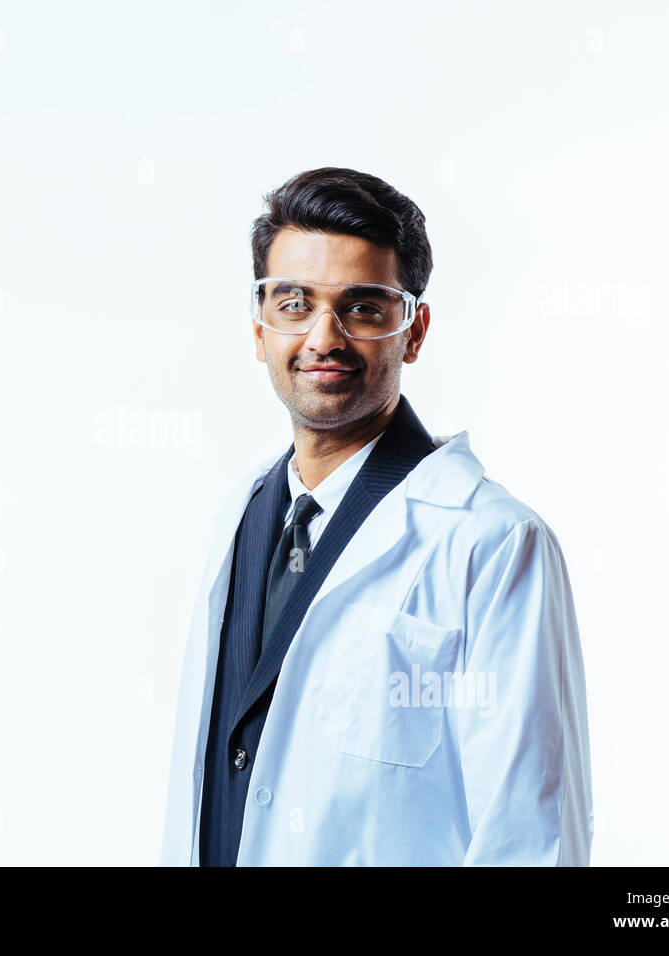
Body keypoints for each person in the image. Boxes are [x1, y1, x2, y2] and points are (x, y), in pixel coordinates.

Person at [160, 167, 593, 866]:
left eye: (362, 308)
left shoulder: (493, 543)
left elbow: (530, 837)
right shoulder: (245, 514)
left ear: (413, 331)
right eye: (294, 303)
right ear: (259, 325)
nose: (323, 337)